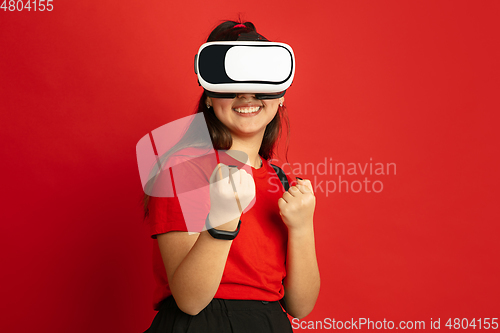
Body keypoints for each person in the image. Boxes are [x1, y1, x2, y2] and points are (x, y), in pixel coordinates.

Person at [143, 20, 320, 333]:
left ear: (280, 96)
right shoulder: (181, 170)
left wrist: (303, 228)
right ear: (210, 97)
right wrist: (222, 221)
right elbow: (190, 300)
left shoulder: (283, 183)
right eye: (231, 88)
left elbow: (301, 307)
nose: (247, 97)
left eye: (260, 87)